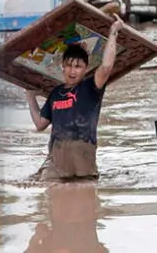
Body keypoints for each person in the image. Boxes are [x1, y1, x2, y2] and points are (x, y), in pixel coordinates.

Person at [25, 15, 124, 182]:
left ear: (85, 69)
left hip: (83, 155)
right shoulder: (55, 93)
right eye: (69, 66)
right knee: (46, 189)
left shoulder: (90, 87)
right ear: (62, 67)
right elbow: (40, 124)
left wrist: (113, 32)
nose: (72, 71)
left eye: (78, 67)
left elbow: (106, 67)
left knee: (84, 194)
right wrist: (30, 96)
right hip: (56, 156)